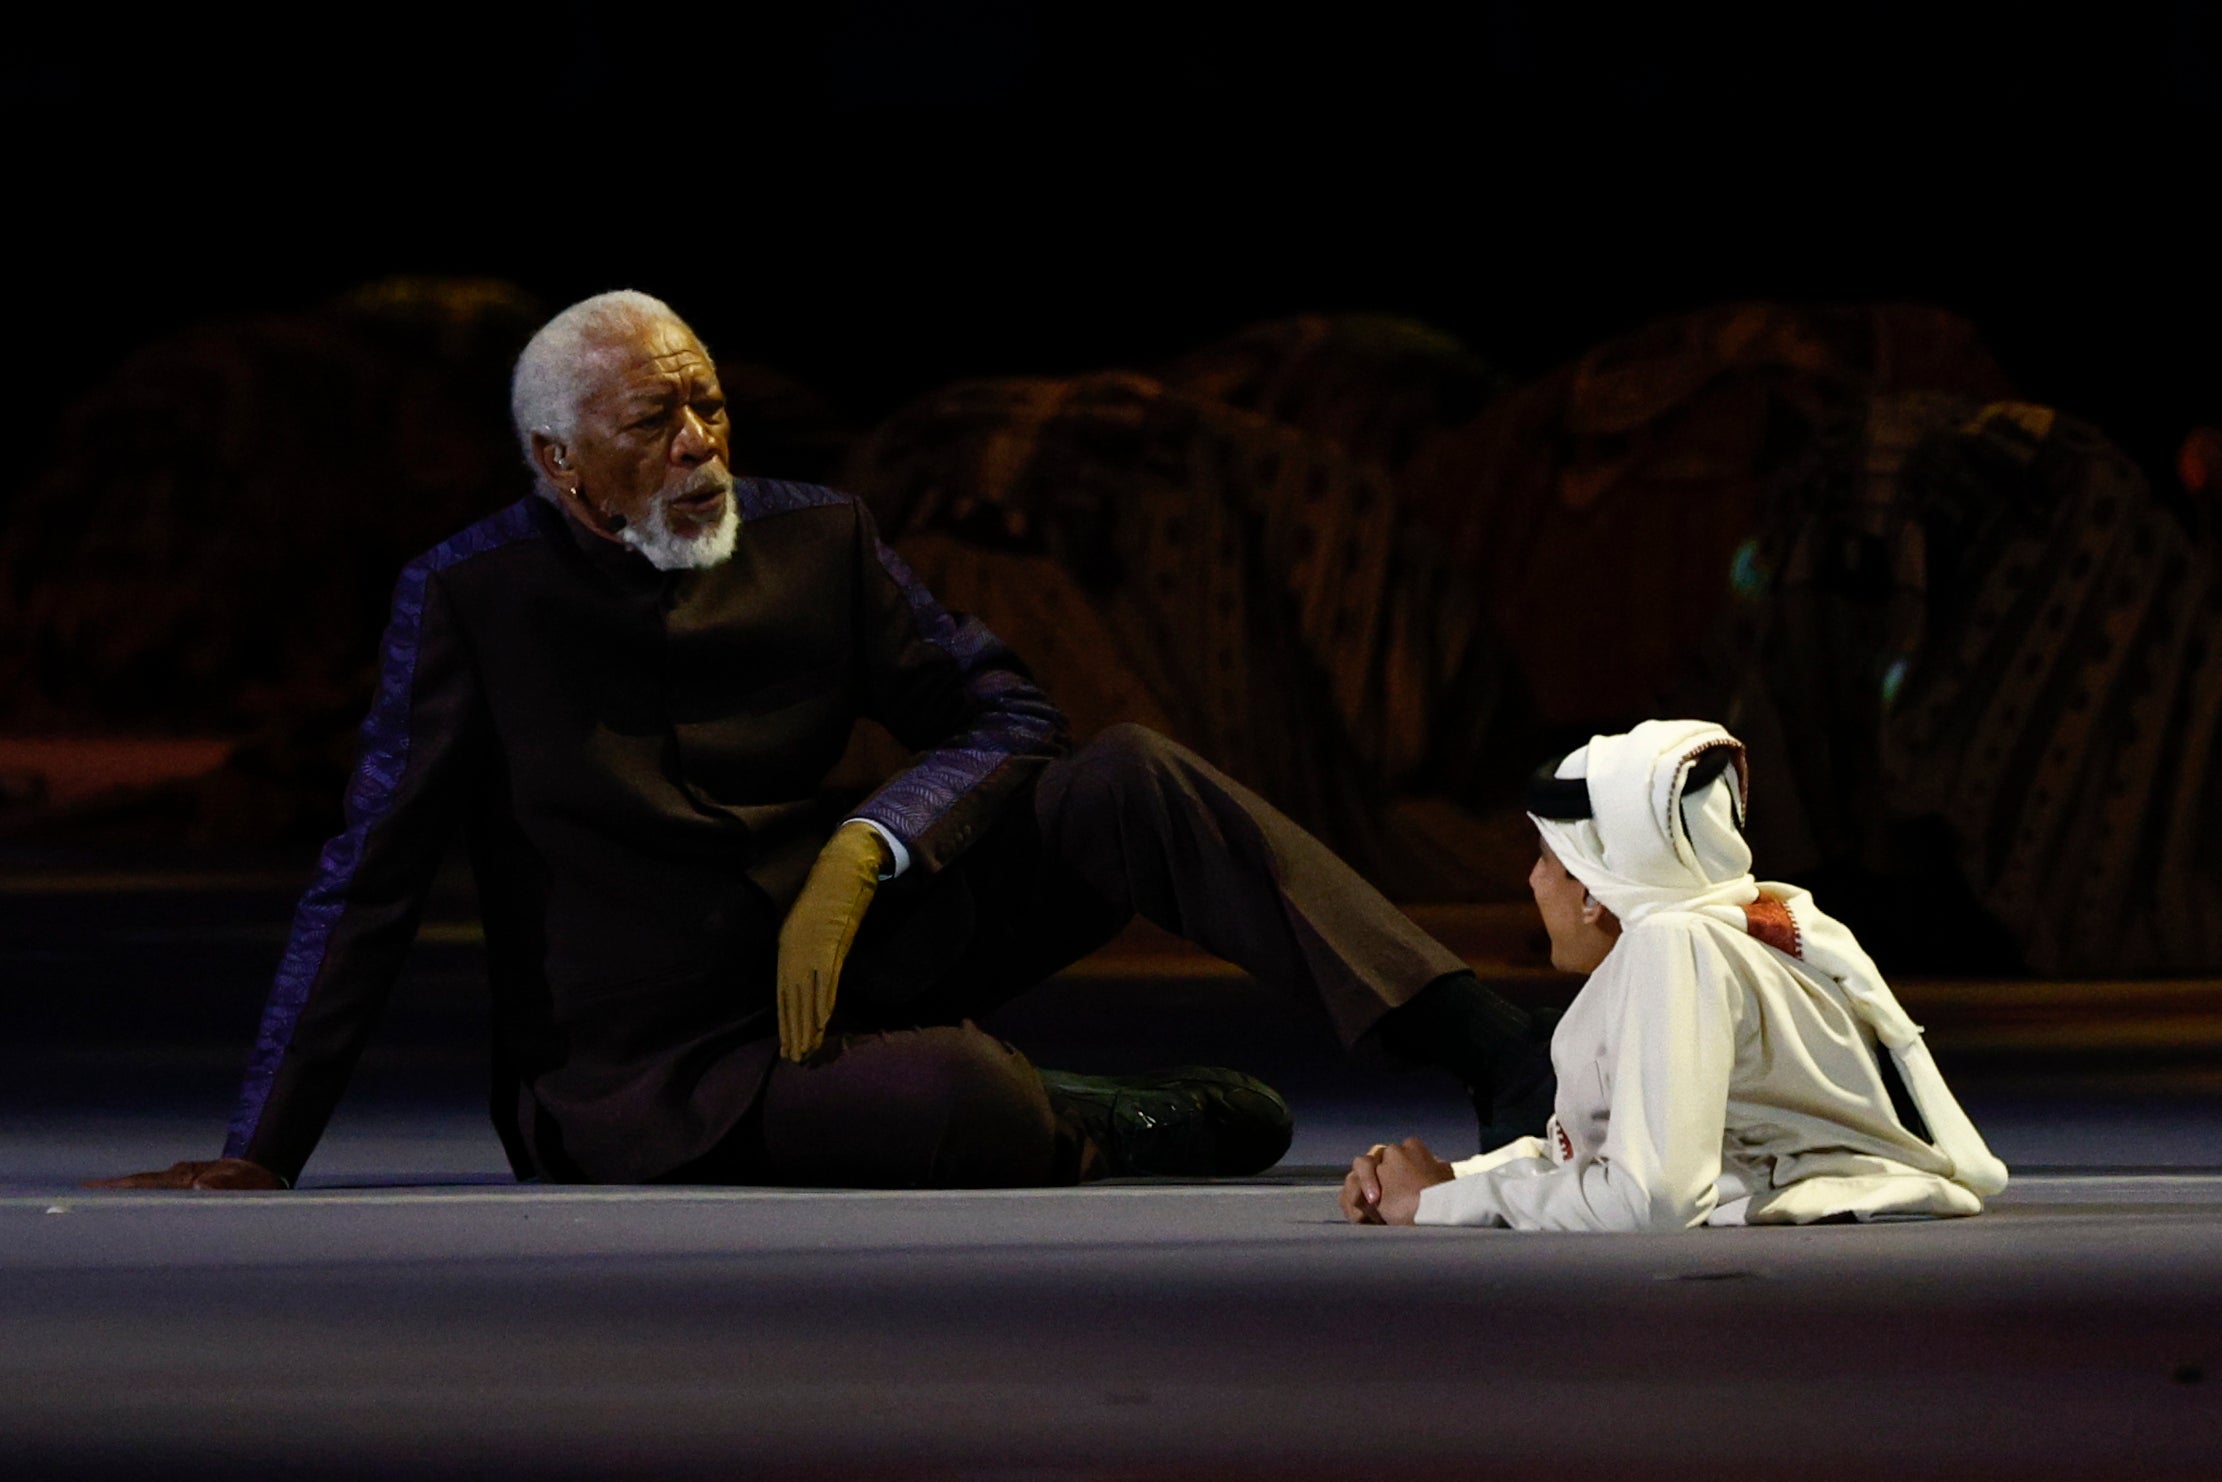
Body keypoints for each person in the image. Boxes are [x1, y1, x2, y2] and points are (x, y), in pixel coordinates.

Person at [95, 290, 1552, 1194]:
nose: (700, 444)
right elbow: (369, 875)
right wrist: (262, 1145)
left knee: (1130, 774)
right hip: (654, 1070)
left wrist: (873, 843)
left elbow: (1011, 712)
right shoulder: (472, 598)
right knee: (965, 1100)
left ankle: (1494, 1051)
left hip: (844, 955)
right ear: (560, 462)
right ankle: (1103, 1121)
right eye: (655, 421)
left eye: (710, 405)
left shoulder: (815, 538)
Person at [1341, 718, 2009, 1230]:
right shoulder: (1734, 925)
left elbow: (1651, 1199)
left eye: (1547, 858)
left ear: (1594, 888)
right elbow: (1611, 1157)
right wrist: (1445, 1180)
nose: (1532, 880)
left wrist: (1439, 1205)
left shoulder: (1675, 944)